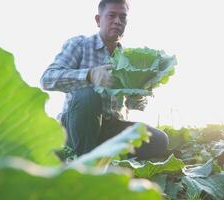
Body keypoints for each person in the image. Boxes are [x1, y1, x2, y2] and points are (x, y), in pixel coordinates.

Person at [40, 0, 168, 160]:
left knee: (159, 140)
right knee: (88, 95)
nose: (117, 21)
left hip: (111, 129)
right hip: (76, 125)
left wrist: (138, 94)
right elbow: (47, 78)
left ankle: (106, 159)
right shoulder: (79, 45)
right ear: (98, 20)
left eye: (123, 17)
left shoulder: (127, 58)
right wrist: (90, 75)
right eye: (111, 16)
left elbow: (133, 105)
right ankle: (83, 165)